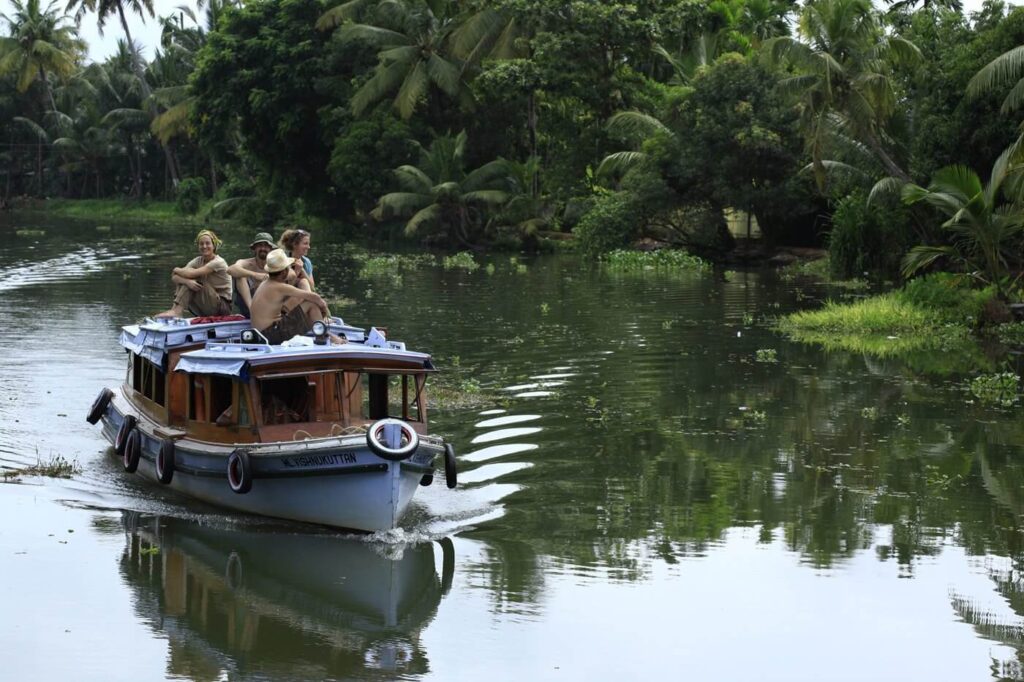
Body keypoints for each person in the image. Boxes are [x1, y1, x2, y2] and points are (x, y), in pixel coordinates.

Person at [250, 249, 340, 345]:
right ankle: (326, 336)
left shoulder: (266, 282)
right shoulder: (280, 287)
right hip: (271, 335)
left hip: (259, 334)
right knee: (311, 304)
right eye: (288, 268)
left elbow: (292, 275)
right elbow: (314, 297)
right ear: (284, 272)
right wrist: (324, 309)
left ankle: (322, 332)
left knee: (304, 309)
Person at [155, 229, 231, 319]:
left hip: (222, 308)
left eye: (207, 243)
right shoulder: (197, 260)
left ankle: (177, 311)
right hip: (207, 304)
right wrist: (186, 281)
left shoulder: (219, 262)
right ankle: (174, 309)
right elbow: (174, 277)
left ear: (213, 246)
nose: (204, 246)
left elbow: (191, 274)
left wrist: (176, 269)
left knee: (195, 278)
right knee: (187, 280)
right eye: (201, 244)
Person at [227, 232, 274, 317]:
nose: (263, 248)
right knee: (240, 275)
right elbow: (230, 269)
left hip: (268, 306)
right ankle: (252, 310)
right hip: (248, 307)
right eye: (260, 245)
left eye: (266, 246)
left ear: (271, 249)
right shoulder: (246, 263)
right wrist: (255, 275)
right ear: (255, 248)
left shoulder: (275, 265)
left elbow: (290, 274)